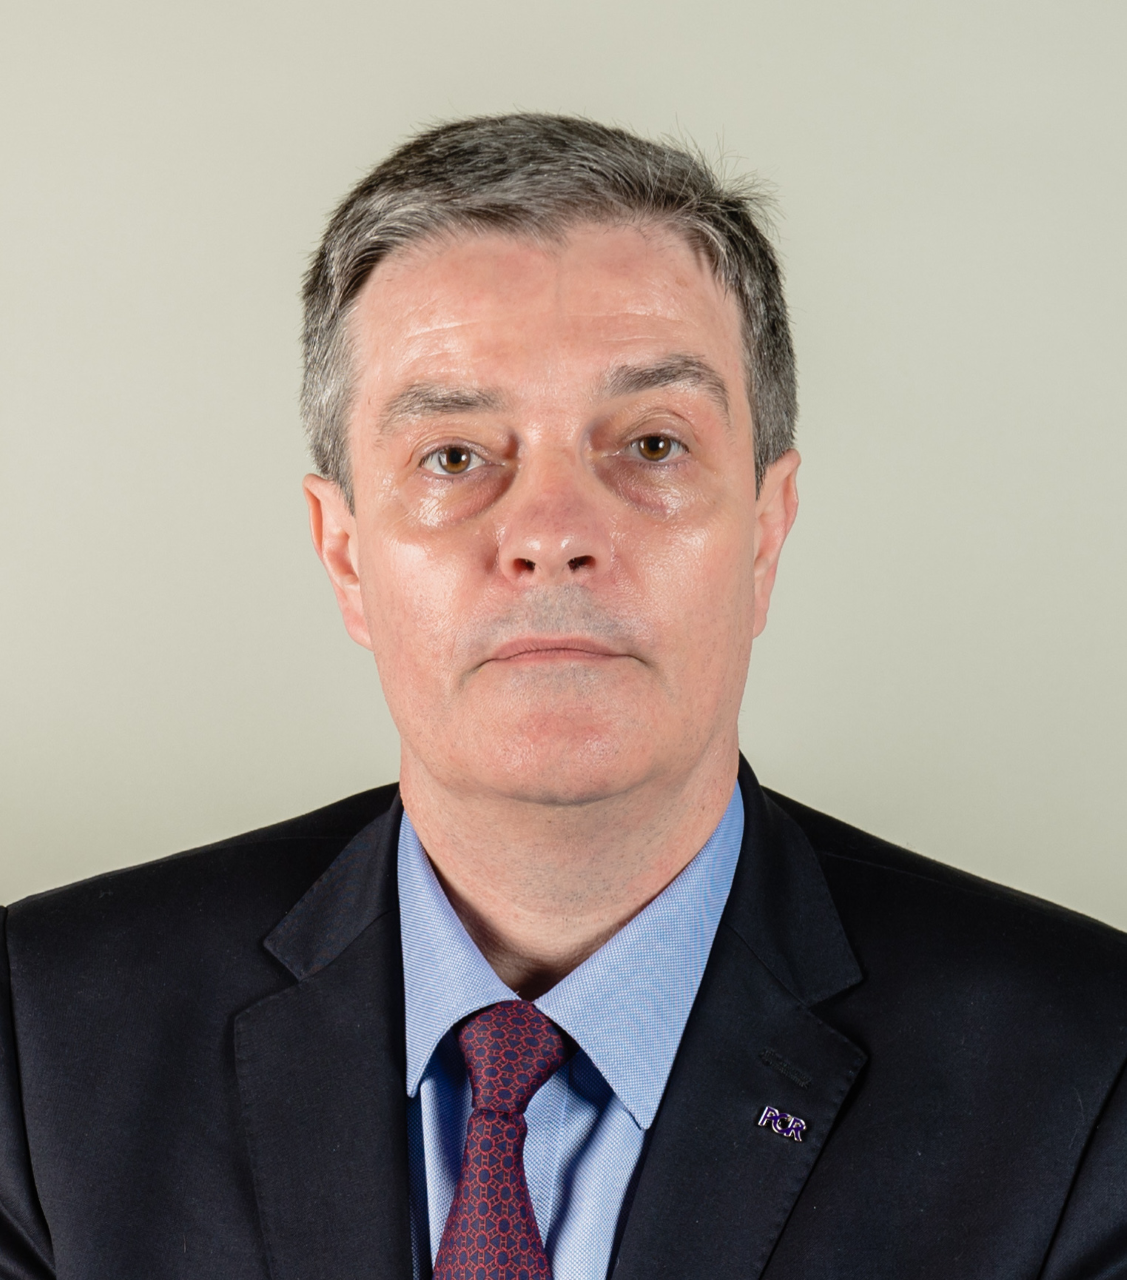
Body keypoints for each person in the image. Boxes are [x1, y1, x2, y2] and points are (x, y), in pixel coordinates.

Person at [1, 114, 1124, 1280]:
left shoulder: (1085, 1076)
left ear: (763, 533)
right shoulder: (42, 1041)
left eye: (650, 445)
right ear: (344, 554)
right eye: (452, 456)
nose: (550, 533)